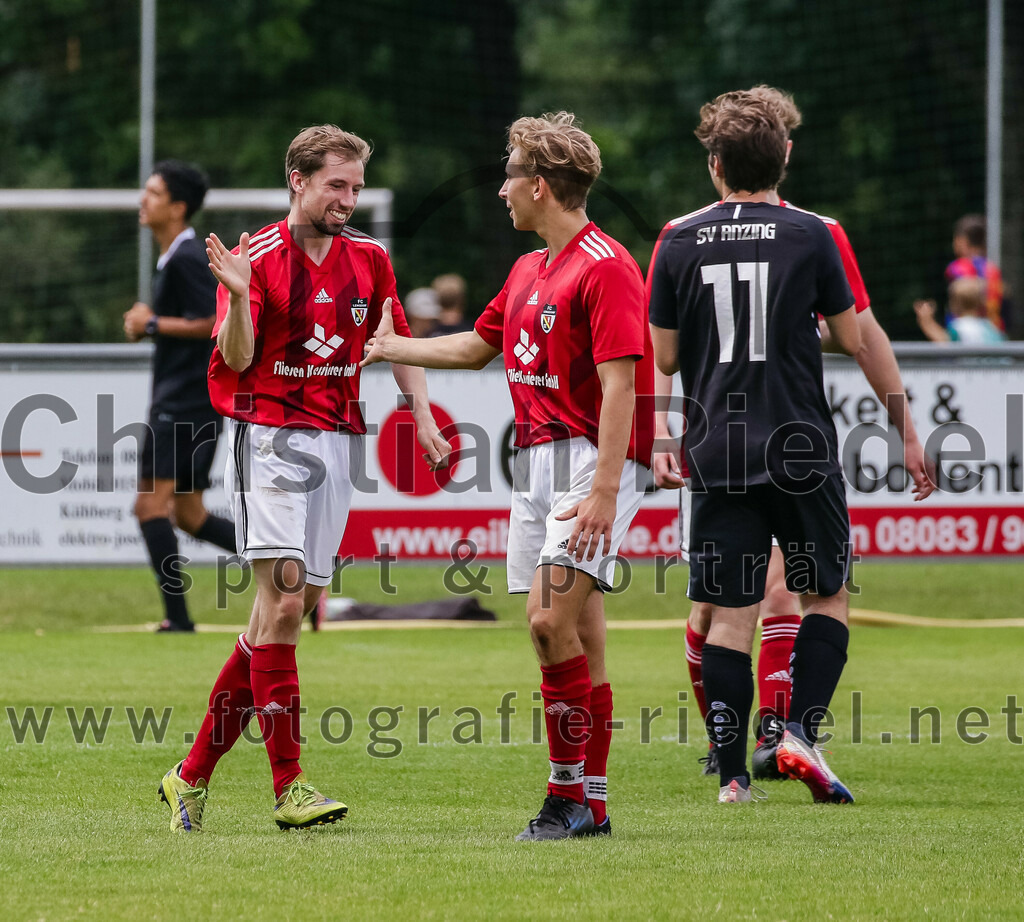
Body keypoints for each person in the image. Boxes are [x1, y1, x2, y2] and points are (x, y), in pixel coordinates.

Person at [363, 112, 655, 839]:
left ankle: (564, 797)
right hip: (536, 460)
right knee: (578, 632)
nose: (501, 189)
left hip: (590, 460)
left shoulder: (607, 265)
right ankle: (593, 803)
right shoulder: (530, 268)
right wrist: (392, 347)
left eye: (510, 175)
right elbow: (475, 348)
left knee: (547, 621)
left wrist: (606, 489)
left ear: (541, 185)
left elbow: (623, 385)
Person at [157, 125, 451, 833]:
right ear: (299, 180)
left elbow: (394, 339)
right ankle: (289, 788)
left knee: (275, 619)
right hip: (270, 439)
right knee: (287, 604)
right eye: (335, 185)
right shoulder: (256, 257)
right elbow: (237, 356)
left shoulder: (371, 259)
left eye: (355, 187)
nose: (347, 199)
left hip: (338, 443)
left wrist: (421, 414)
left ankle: (189, 776)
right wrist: (235, 297)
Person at [650, 86, 934, 782]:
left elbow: (663, 356)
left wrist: (660, 432)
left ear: (714, 163)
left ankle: (731, 777)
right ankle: (800, 734)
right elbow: (856, 337)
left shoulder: (676, 236)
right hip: (798, 444)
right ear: (786, 154)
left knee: (728, 612)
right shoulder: (817, 233)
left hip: (716, 446)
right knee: (822, 594)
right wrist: (906, 429)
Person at [123, 160, 237, 633]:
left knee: (149, 507)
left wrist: (150, 323)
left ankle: (178, 618)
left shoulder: (187, 256)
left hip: (182, 404)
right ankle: (298, 570)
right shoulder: (176, 255)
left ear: (177, 207)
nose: (142, 199)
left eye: (153, 192)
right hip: (197, 403)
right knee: (189, 515)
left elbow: (212, 321)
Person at [944, 214, 1008, 332]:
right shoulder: (993, 269)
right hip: (993, 331)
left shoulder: (956, 268)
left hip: (963, 331)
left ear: (962, 241)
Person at [915, 277, 1006, 344]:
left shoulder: (958, 327)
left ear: (955, 304)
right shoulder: (989, 326)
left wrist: (925, 320)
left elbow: (943, 341)